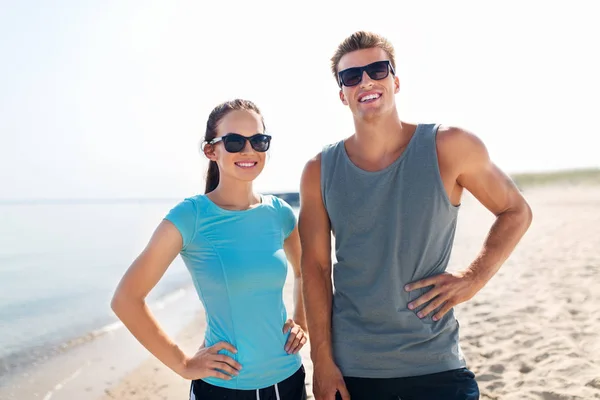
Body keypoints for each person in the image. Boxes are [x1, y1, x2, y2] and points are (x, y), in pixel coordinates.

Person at [298, 31, 533, 400]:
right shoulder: (319, 170)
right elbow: (314, 267)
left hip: (437, 364)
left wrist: (473, 277)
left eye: (377, 69)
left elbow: (516, 209)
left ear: (395, 80)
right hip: (354, 369)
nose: (367, 81)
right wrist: (321, 362)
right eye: (352, 76)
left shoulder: (449, 146)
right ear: (342, 94)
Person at [111, 99, 308, 400]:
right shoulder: (191, 216)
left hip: (289, 379)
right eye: (234, 141)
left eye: (258, 140)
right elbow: (125, 299)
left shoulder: (280, 213)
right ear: (211, 150)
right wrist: (184, 364)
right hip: (225, 388)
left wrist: (302, 322)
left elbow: (304, 272)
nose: (248, 150)